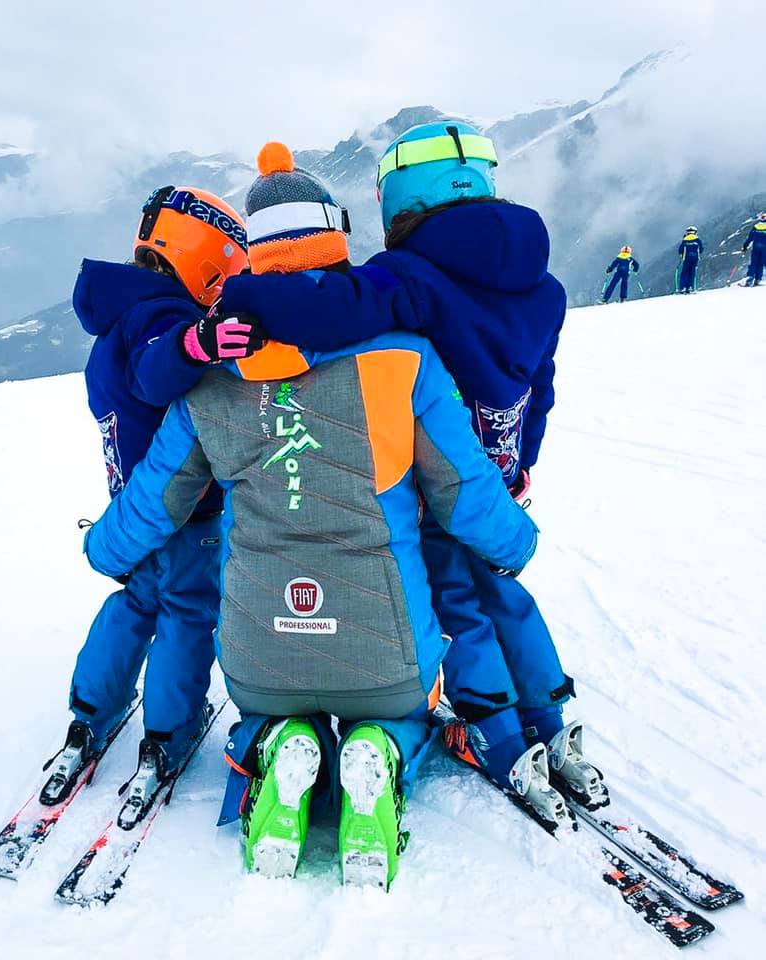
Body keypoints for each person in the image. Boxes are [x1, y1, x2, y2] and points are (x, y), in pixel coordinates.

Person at [82, 143, 539, 890]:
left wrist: (103, 551)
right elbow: (466, 492)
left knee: (271, 699)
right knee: (400, 709)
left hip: (261, 653)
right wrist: (517, 545)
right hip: (385, 650)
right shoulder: (405, 359)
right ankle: (382, 751)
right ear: (338, 236)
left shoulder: (211, 374)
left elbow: (155, 499)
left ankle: (277, 740)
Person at [214, 126, 601, 827]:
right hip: (501, 470)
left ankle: (500, 736)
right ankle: (551, 717)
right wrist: (521, 465)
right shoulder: (543, 290)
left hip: (437, 481)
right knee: (504, 590)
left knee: (458, 605)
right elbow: (539, 387)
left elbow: (331, 308)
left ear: (399, 201)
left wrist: (248, 297)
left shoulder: (413, 279)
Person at [40, 186, 263, 811]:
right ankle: (167, 733)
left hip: (131, 504)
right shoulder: (161, 318)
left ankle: (90, 713)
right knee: (188, 615)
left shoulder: (119, 311)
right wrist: (199, 344)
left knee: (137, 603)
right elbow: (156, 369)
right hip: (186, 513)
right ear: (207, 262)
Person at [676, 227, 703, 294]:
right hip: (695, 259)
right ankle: (690, 287)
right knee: (692, 273)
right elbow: (701, 248)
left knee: (684, 273)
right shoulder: (697, 239)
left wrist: (681, 255)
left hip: (686, 259)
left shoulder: (685, 240)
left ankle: (683, 288)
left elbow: (680, 250)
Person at [742, 212, 766, 287]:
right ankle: (757, 280)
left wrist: (745, 246)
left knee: (754, 263)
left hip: (756, 247)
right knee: (761, 263)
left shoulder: (756, 226)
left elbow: (750, 237)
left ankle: (750, 279)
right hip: (765, 248)